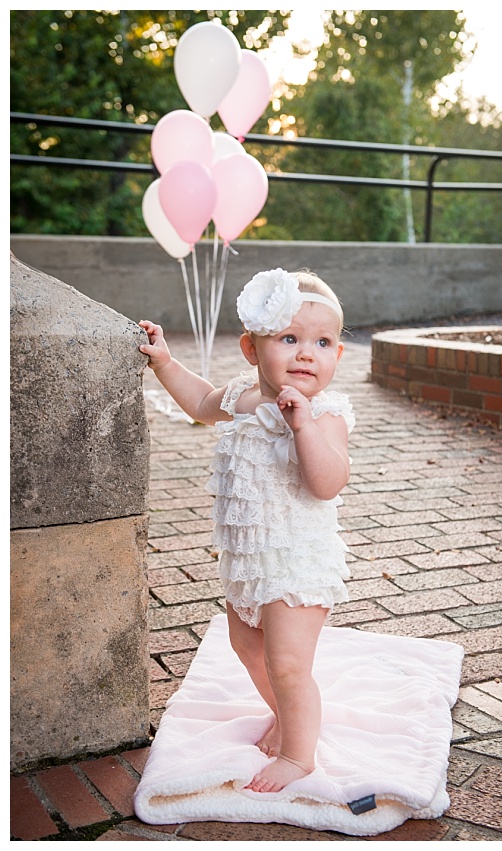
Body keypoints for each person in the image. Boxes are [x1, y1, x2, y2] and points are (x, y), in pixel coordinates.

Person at [139, 268, 354, 794]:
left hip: (297, 562)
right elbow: (198, 401)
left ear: (338, 356)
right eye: (289, 339)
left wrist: (301, 425)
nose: (306, 354)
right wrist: (165, 362)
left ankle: (300, 756)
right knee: (248, 648)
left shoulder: (325, 414)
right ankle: (284, 716)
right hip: (250, 558)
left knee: (287, 661)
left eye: (322, 342)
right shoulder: (239, 396)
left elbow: (328, 482)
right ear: (252, 349)